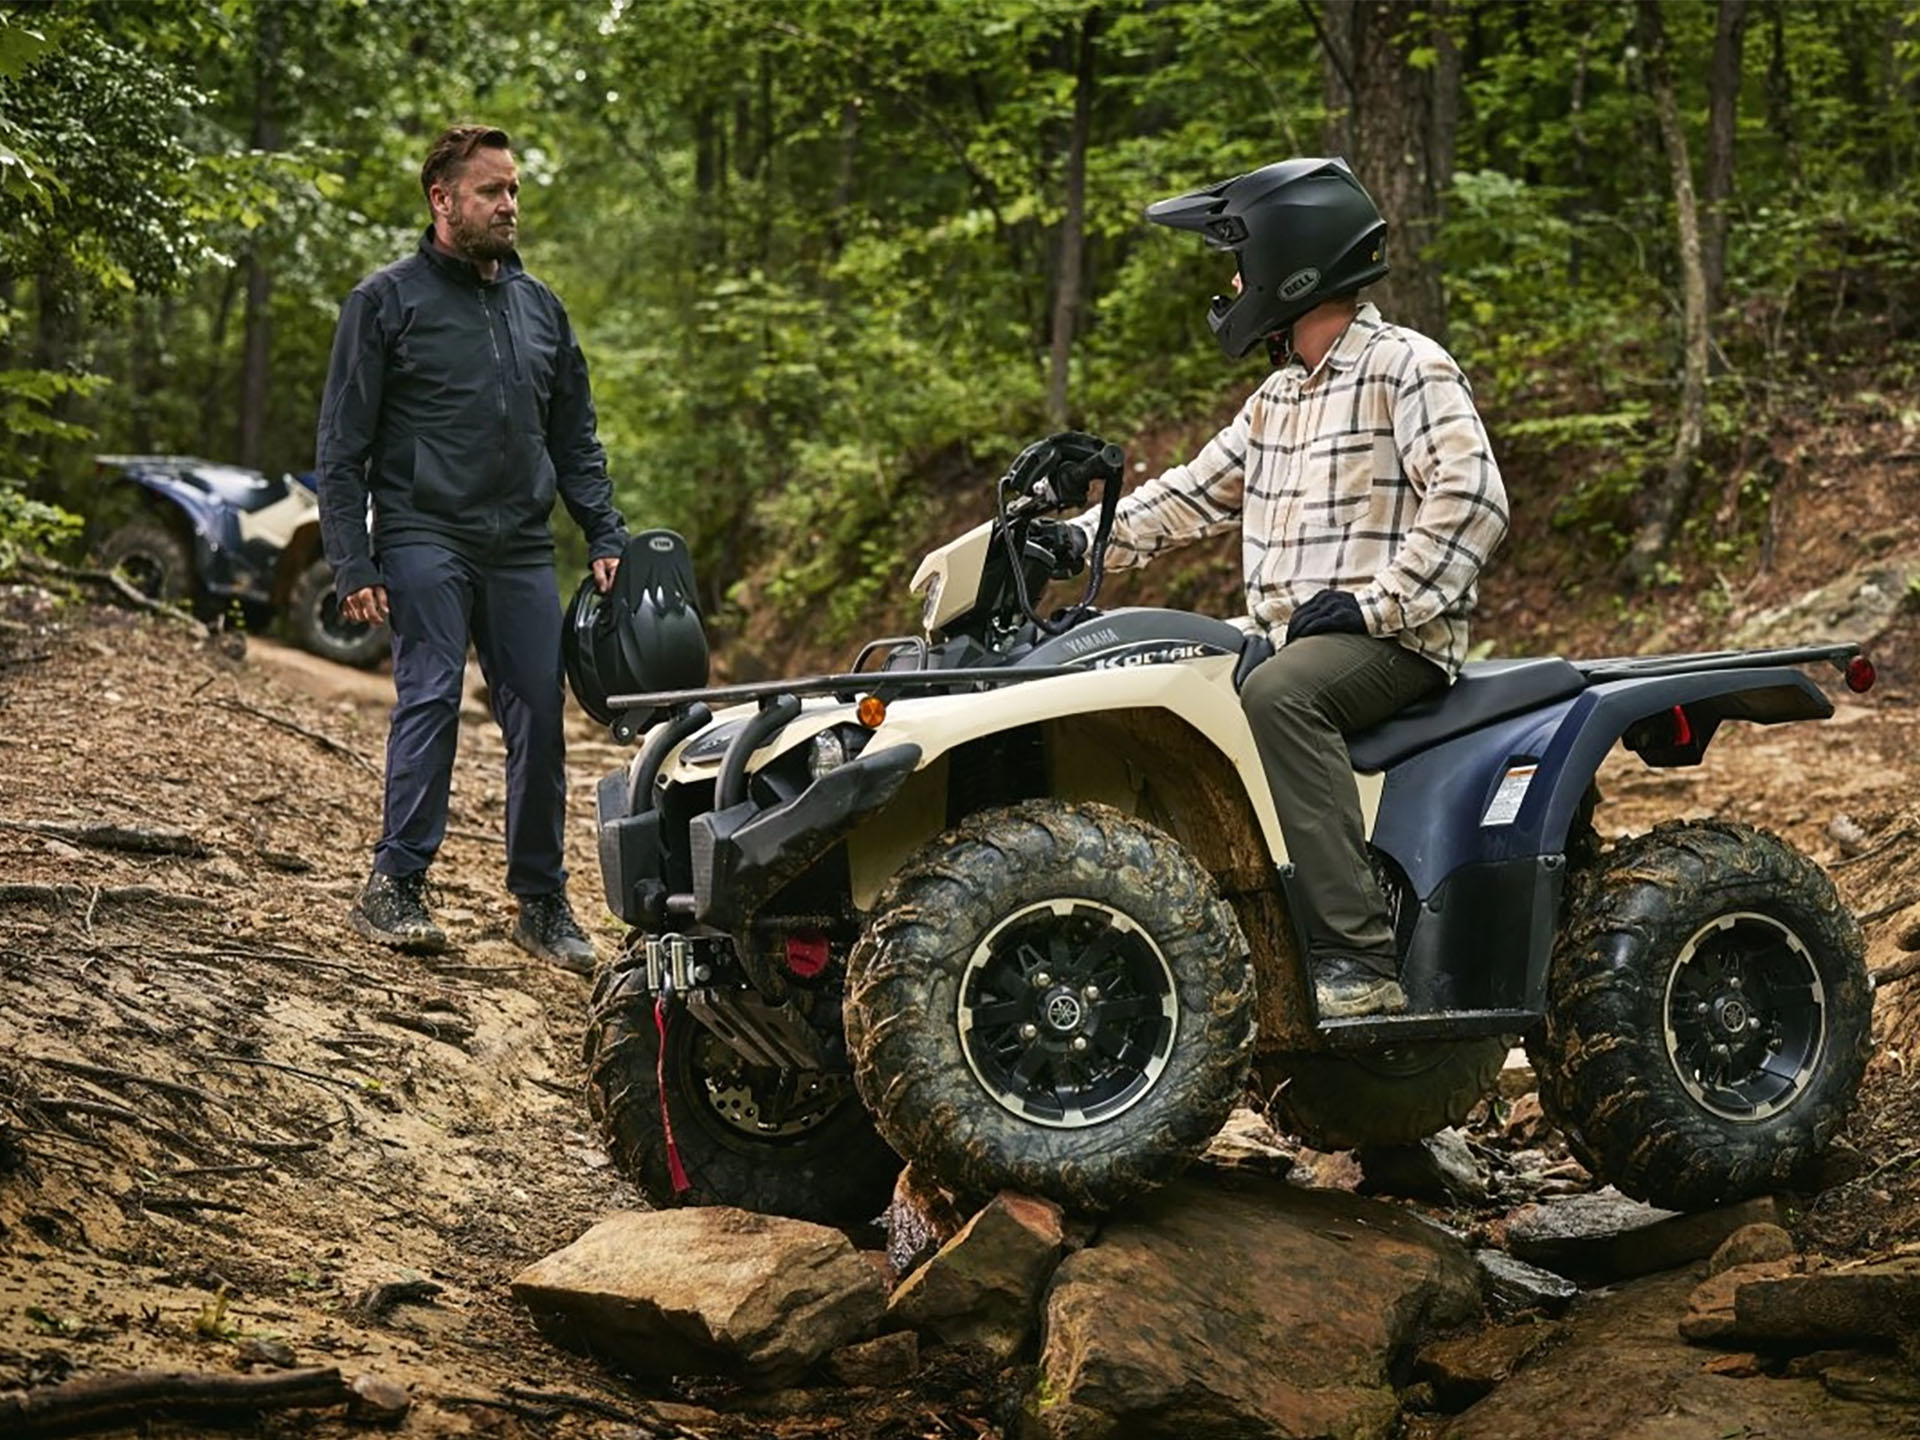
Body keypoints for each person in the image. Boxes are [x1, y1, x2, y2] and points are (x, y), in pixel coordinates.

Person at [1057, 157, 1510, 1019]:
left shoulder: (1405, 366)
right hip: (1301, 635)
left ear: (1289, 262)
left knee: (1281, 697)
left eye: (1239, 264)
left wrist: (1379, 603)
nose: (1231, 284)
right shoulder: (1280, 398)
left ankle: (1358, 957)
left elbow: (1473, 497)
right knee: (1161, 671)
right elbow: (1189, 494)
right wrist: (1069, 543)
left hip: (1393, 642)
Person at [314, 123, 629, 973]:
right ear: (442, 200)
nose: (510, 204)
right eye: (492, 191)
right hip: (424, 531)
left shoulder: (540, 308)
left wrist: (604, 531)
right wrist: (352, 558)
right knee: (431, 697)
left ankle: (542, 902)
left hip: (522, 543)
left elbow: (576, 437)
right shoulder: (385, 302)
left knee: (541, 713)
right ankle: (397, 883)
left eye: (514, 189)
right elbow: (341, 446)